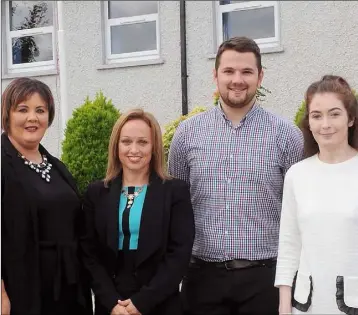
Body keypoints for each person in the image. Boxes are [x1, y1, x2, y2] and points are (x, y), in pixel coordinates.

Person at [168, 36, 304, 315]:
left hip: (265, 281)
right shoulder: (187, 135)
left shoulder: (287, 136)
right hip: (202, 279)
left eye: (246, 72)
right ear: (215, 75)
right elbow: (175, 209)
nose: (237, 80)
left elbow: (299, 213)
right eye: (229, 71)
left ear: (260, 76)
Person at [80, 108, 195, 315]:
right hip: (112, 304)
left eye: (142, 142)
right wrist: (111, 302)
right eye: (126, 142)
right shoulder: (96, 193)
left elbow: (179, 254)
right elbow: (89, 253)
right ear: (116, 146)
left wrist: (142, 302)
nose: (134, 149)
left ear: (154, 147)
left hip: (160, 302)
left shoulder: (175, 192)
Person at [1, 77, 93, 315]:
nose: (33, 117)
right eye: (23, 109)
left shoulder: (57, 166)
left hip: (68, 289)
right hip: (22, 291)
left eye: (40, 110)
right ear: (7, 115)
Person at [275, 75, 358, 314]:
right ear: (308, 123)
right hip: (306, 304)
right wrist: (284, 305)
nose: (325, 124)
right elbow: (289, 246)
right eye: (317, 116)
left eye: (334, 114)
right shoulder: (297, 175)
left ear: (350, 118)